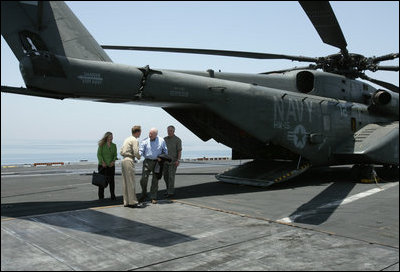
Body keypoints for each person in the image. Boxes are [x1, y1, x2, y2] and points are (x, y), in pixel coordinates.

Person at [139, 128, 168, 204]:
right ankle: (144, 193)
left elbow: (165, 151)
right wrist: (138, 154)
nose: (150, 135)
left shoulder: (161, 141)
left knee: (155, 180)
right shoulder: (145, 140)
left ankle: (153, 197)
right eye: (149, 133)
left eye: (152, 134)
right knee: (143, 179)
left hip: (157, 163)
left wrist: (161, 158)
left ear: (156, 134)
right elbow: (141, 150)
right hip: (147, 162)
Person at [120, 125, 142, 208]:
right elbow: (136, 152)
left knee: (125, 182)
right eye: (140, 132)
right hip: (129, 160)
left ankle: (126, 201)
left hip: (123, 160)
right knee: (131, 181)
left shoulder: (127, 139)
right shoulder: (135, 140)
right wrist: (139, 157)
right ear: (137, 132)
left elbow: (121, 151)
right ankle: (132, 202)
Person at [97, 132, 117, 200]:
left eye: (112, 136)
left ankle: (113, 196)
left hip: (111, 166)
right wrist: (102, 162)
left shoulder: (114, 145)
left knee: (112, 182)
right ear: (106, 137)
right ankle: (101, 197)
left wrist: (113, 161)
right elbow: (99, 154)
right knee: (101, 182)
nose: (111, 138)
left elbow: (115, 155)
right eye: (110, 137)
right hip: (102, 166)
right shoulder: (102, 145)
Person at [163, 125, 182, 197]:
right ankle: (168, 190)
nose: (169, 132)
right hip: (165, 162)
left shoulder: (177, 140)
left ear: (173, 131)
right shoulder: (164, 139)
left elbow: (179, 151)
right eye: (168, 130)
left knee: (171, 177)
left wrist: (178, 160)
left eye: (170, 131)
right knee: (165, 177)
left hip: (173, 162)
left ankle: (170, 192)